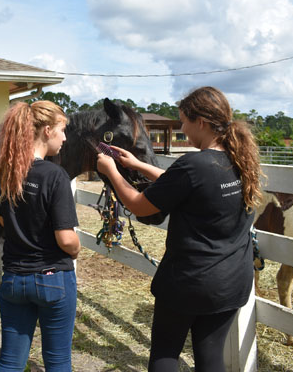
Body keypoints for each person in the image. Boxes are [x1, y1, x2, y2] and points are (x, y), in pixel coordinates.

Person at [96, 86, 262, 372]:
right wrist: (138, 165)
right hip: (231, 281)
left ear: (201, 122)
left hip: (190, 282)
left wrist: (110, 170)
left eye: (184, 120)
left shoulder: (193, 164)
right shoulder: (241, 160)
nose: (182, 128)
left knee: (165, 353)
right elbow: (191, 184)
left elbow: (139, 205)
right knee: (210, 357)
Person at [0, 100, 81, 371]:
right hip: (53, 279)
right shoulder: (55, 176)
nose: (65, 138)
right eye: (62, 130)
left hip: (13, 280)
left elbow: (2, 220)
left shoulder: (5, 172)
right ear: (46, 130)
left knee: (10, 361)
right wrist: (76, 249)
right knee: (57, 361)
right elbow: (66, 239)